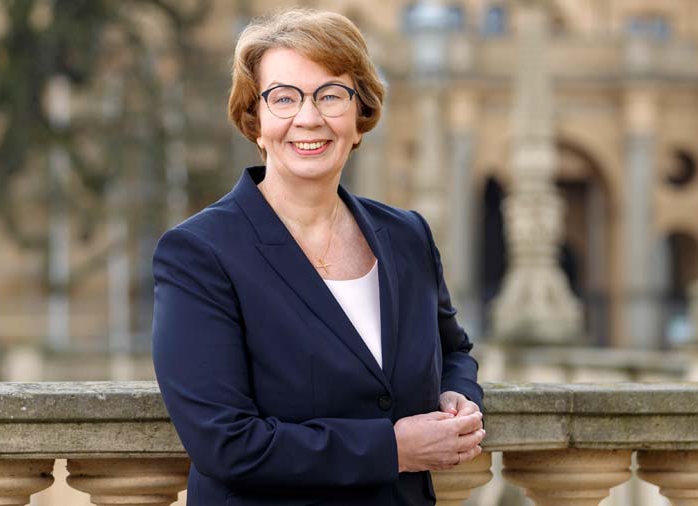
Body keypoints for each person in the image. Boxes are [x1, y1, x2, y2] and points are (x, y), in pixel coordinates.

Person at [152, 8, 484, 506]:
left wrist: (460, 397)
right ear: (255, 120)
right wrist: (393, 449)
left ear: (358, 117)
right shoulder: (199, 253)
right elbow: (226, 443)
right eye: (283, 98)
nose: (308, 117)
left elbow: (455, 351)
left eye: (331, 95)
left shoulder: (407, 236)